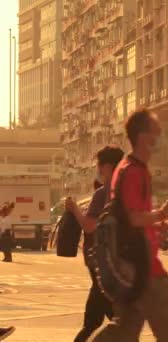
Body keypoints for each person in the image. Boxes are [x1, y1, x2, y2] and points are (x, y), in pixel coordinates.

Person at [93, 109, 168, 342]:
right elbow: (134, 217)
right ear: (145, 137)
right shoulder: (133, 171)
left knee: (123, 331)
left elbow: (133, 220)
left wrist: (160, 226)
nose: (161, 136)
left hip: (132, 266)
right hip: (145, 270)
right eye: (157, 131)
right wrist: (161, 213)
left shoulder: (130, 168)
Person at [65, 145, 125, 342]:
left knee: (102, 322)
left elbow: (89, 226)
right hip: (121, 261)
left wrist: (74, 209)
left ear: (107, 166)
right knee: (102, 319)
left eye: (99, 165)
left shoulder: (103, 193)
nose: (98, 169)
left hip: (101, 262)